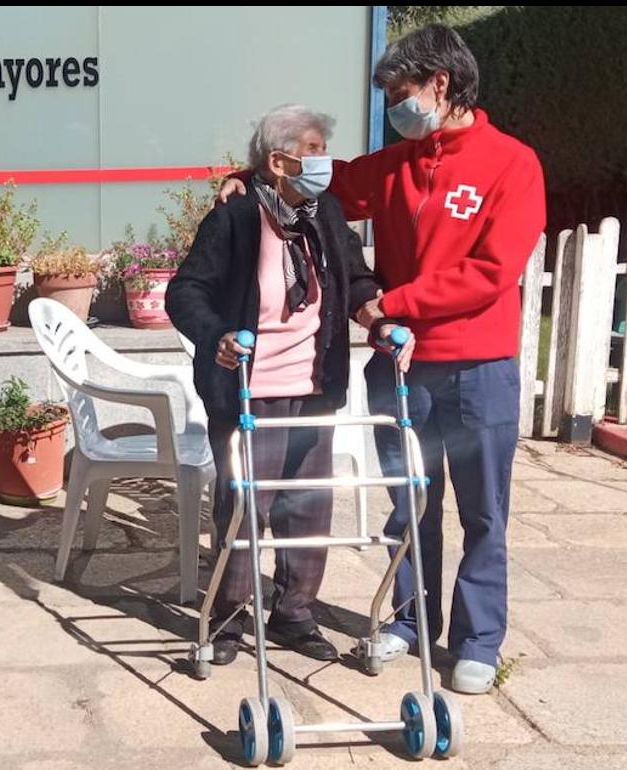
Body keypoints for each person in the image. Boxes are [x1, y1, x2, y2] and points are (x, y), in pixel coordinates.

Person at [218, 24, 545, 693]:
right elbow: (324, 180)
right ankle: (408, 620)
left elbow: (492, 271)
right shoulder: (397, 164)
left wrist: (392, 304)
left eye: (402, 95)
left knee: (484, 513)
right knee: (409, 504)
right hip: (401, 370)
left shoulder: (512, 163)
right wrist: (249, 175)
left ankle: (478, 639)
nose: (397, 110)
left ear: (441, 85)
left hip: (478, 368)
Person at [167, 104, 409, 664]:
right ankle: (227, 620)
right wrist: (218, 336)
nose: (325, 163)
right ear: (278, 161)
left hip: (314, 384)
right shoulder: (234, 217)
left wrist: (379, 319)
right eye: (315, 151)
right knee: (246, 506)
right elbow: (186, 292)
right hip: (250, 389)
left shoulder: (324, 213)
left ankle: (294, 612)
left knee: (309, 507)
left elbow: (355, 278)